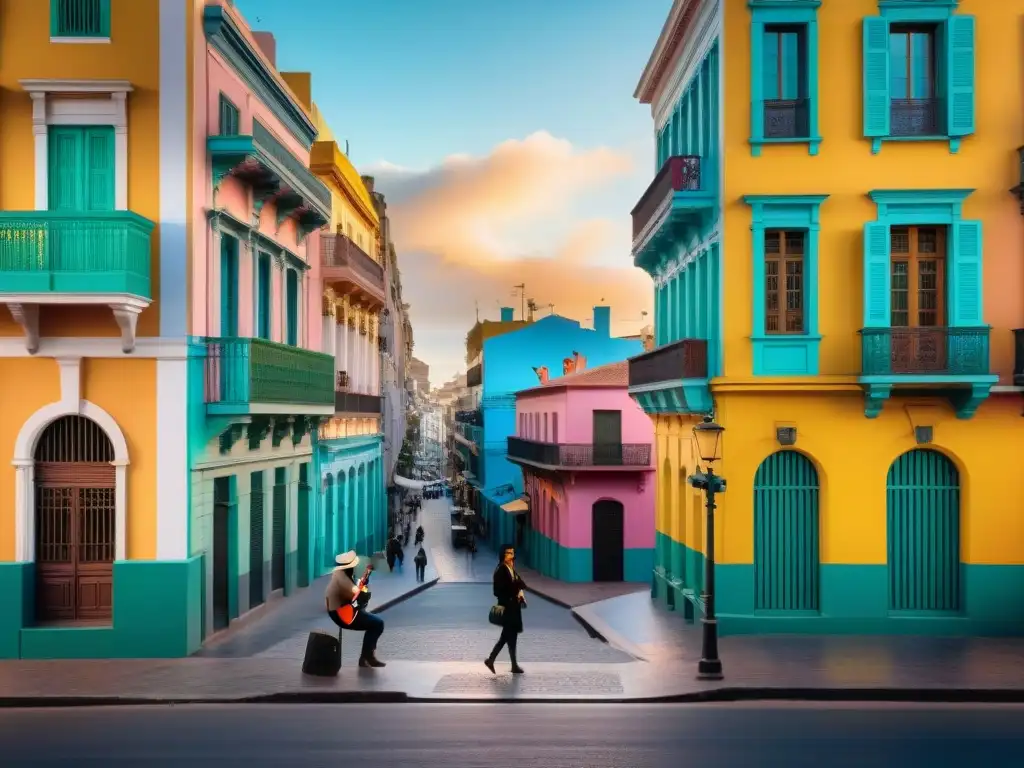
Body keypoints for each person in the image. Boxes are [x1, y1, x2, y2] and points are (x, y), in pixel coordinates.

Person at [324, 551, 386, 668]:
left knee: (369, 619)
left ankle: (366, 658)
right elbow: (358, 594)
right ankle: (367, 657)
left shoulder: (340, 574)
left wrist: (363, 582)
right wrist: (364, 589)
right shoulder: (342, 579)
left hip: (341, 610)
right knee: (377, 624)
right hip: (342, 614)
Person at [485, 545, 526, 674]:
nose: (511, 555)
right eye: (509, 553)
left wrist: (517, 588)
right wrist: (514, 589)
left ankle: (497, 661)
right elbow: (498, 590)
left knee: (508, 637)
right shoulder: (501, 570)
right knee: (508, 637)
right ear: (503, 555)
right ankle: (494, 660)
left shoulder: (511, 569)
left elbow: (522, 583)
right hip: (508, 609)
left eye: (512, 553)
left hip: (514, 608)